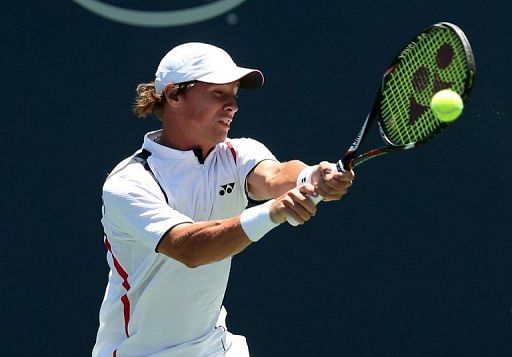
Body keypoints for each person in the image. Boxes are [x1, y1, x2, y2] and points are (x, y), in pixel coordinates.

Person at [92, 42, 355, 357]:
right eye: (218, 94)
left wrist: (311, 177)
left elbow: (275, 176)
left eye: (235, 94)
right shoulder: (129, 182)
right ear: (175, 95)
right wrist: (273, 213)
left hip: (215, 348)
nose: (233, 106)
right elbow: (190, 249)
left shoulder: (237, 153)